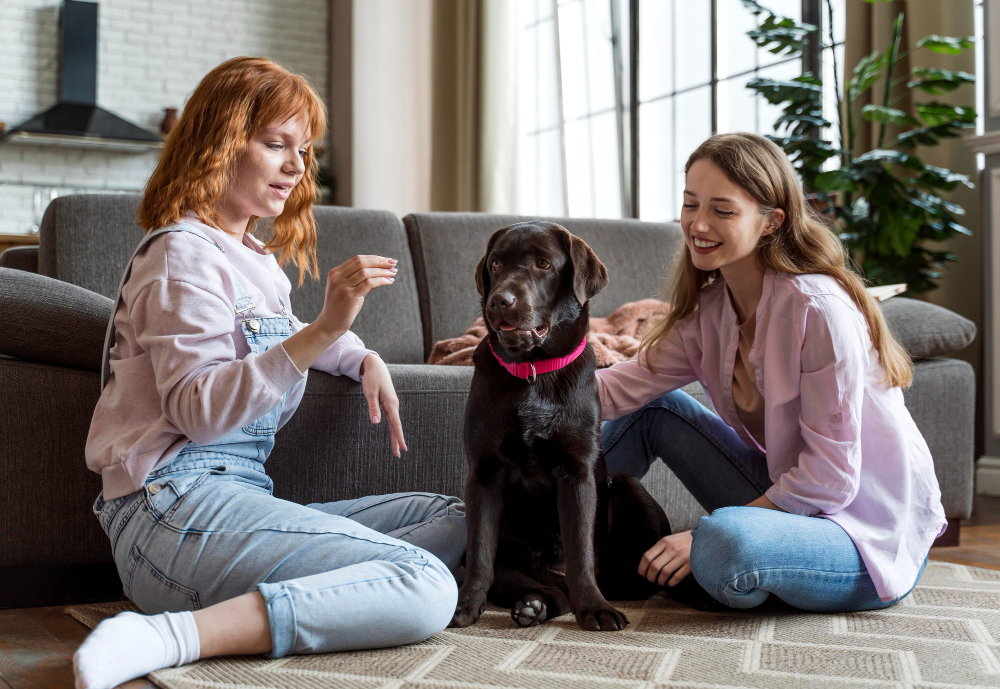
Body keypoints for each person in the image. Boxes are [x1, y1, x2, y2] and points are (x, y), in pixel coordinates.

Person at [73, 57, 464, 689]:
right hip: (169, 511)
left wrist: (363, 356)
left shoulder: (250, 259)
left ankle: (325, 586)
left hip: (238, 497)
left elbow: (283, 335)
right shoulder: (180, 255)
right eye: (276, 144)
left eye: (303, 151)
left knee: (460, 516)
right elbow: (200, 411)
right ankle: (169, 636)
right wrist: (325, 328)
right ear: (220, 142)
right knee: (424, 584)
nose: (297, 166)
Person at [598, 132, 947, 612]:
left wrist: (699, 536)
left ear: (771, 221)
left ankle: (719, 560)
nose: (698, 224)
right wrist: (523, 383)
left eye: (723, 210)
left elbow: (829, 478)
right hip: (789, 506)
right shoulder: (709, 311)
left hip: (862, 536)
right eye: (690, 204)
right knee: (653, 410)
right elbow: (617, 390)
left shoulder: (818, 309)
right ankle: (529, 537)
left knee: (723, 543)